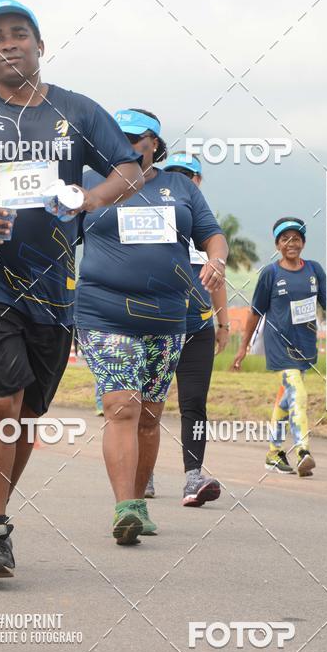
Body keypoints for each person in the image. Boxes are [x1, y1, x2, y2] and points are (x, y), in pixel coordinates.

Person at [0, 0, 143, 578]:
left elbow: (129, 168)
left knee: (26, 418)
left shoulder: (78, 113)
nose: (8, 43)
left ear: (41, 45)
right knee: (2, 403)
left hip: (55, 289)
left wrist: (88, 200)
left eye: (19, 34)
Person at [75, 109, 227, 545]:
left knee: (149, 414)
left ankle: (138, 502)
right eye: (117, 138)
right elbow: (54, 232)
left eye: (135, 138)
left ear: (155, 145)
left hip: (165, 317)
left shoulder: (179, 188)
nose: (125, 145)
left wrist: (216, 259)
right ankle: (124, 506)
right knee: (122, 404)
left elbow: (212, 235)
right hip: (103, 312)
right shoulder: (89, 184)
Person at [145, 152, 229, 506]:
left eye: (191, 175)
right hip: (157, 326)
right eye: (176, 173)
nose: (184, 180)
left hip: (197, 328)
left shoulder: (206, 229)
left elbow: (217, 279)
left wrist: (223, 322)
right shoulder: (156, 220)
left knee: (194, 403)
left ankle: (193, 477)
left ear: (198, 182)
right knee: (149, 403)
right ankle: (142, 473)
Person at [233, 217, 326, 476]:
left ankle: (274, 454)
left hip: (305, 344)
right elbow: (254, 313)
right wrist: (243, 348)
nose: (291, 243)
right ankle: (303, 450)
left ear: (303, 242)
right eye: (285, 239)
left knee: (287, 398)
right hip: (279, 345)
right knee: (298, 393)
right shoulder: (270, 274)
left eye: (296, 238)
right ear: (277, 244)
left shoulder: (314, 270)